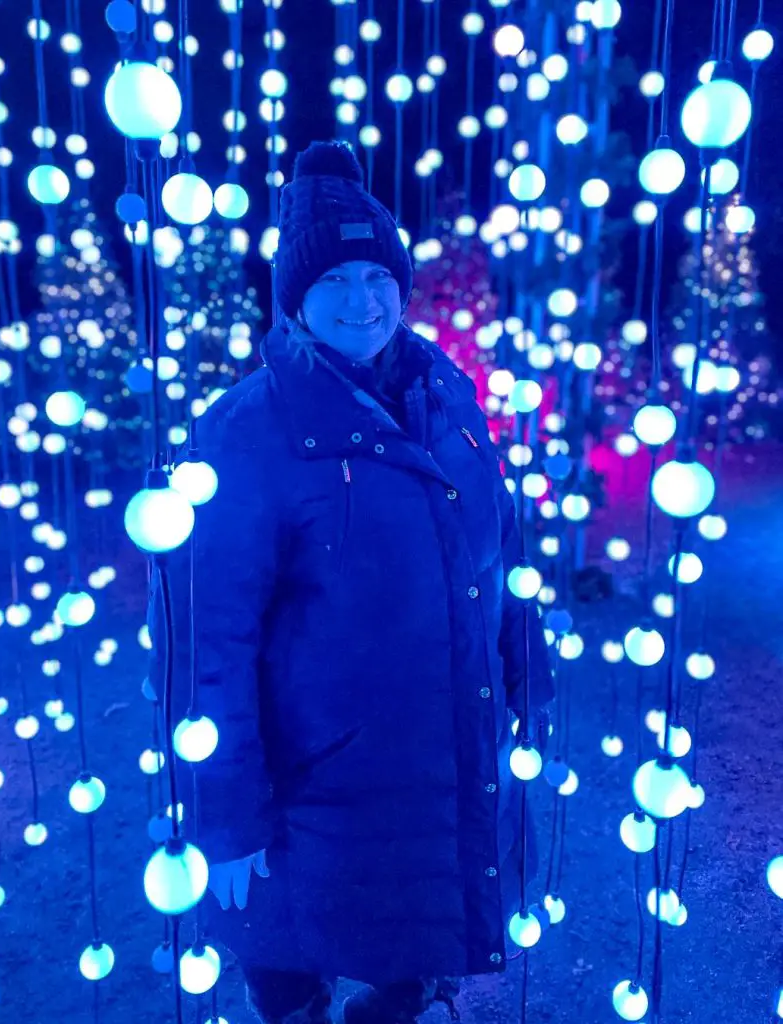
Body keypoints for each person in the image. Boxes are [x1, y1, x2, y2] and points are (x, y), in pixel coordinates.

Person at [148, 141, 554, 1024]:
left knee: (409, 953)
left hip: (438, 758)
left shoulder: (445, 395)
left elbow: (500, 550)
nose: (362, 300)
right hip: (315, 791)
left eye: (378, 274)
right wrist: (225, 813)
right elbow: (204, 639)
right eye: (334, 280)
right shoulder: (243, 435)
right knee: (299, 959)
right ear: (294, 298)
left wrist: (528, 673)